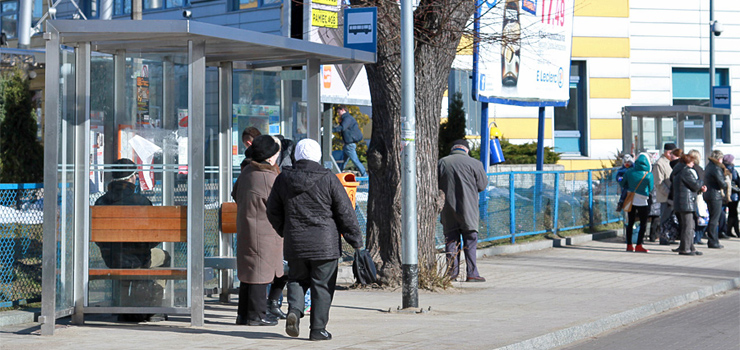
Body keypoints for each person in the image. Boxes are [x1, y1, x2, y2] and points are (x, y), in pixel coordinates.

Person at [267, 138, 363, 341]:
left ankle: (295, 309)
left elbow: (272, 210)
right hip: (325, 245)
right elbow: (345, 212)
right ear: (318, 156)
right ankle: (318, 330)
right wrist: (356, 240)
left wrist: (284, 230)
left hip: (296, 241)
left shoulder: (284, 178)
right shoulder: (328, 177)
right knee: (322, 286)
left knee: (296, 279)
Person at [95, 158, 170, 322]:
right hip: (137, 258)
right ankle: (155, 308)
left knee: (124, 261)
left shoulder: (100, 202)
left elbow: (98, 240)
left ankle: (125, 308)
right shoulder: (141, 202)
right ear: (131, 178)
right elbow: (154, 237)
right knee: (164, 257)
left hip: (111, 258)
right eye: (135, 175)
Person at [231, 135, 286, 326]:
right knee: (260, 273)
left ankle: (243, 314)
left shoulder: (248, 172)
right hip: (265, 230)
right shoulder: (267, 177)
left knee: (250, 272)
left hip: (247, 227)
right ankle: (257, 315)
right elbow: (280, 203)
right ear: (270, 156)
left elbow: (235, 193)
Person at [438, 139, 488, 282]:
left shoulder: (442, 162)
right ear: (466, 150)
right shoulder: (476, 164)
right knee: (470, 242)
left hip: (448, 209)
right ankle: (472, 273)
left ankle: (451, 274)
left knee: (451, 241)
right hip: (469, 209)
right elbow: (482, 185)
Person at [672, 154, 707, 256]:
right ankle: (686, 248)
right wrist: (701, 182)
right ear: (687, 162)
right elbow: (695, 185)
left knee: (688, 226)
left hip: (683, 202)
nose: (693, 164)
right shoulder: (686, 171)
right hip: (686, 203)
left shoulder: (679, 170)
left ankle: (689, 247)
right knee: (688, 226)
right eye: (691, 162)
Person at [621, 153, 654, 252]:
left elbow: (622, 183)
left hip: (630, 199)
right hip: (643, 200)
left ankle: (629, 245)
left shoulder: (629, 172)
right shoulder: (648, 174)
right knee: (643, 223)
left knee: (630, 223)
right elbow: (651, 188)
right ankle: (639, 244)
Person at [653, 143, 678, 245]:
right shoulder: (660, 163)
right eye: (672, 153)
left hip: (673, 196)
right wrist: (669, 193)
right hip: (665, 197)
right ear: (667, 152)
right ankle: (663, 238)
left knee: (671, 218)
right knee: (665, 218)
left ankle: (670, 237)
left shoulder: (672, 162)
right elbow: (659, 182)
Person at [332, 105, 367, 177]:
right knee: (344, 161)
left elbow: (343, 127)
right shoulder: (348, 117)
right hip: (348, 144)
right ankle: (338, 173)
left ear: (342, 110)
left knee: (355, 161)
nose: (338, 114)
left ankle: (365, 175)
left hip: (349, 145)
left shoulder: (347, 118)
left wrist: (331, 130)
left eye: (339, 112)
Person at [704, 150, 728, 248]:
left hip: (709, 194)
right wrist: (726, 184)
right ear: (719, 158)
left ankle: (712, 240)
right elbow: (722, 183)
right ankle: (713, 241)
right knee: (714, 219)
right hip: (715, 195)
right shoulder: (716, 168)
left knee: (712, 218)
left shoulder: (709, 166)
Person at [723, 154, 740, 237]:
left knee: (730, 213)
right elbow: (736, 181)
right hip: (733, 195)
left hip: (727, 194)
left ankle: (728, 230)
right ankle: (734, 231)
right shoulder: (732, 169)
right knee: (733, 213)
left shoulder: (722, 168)